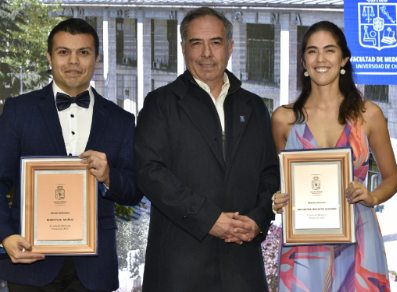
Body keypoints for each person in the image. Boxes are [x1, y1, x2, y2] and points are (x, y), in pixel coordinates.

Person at [134, 7, 280, 292]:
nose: (206, 53)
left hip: (243, 267)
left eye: (215, 42)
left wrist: (259, 219)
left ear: (230, 48)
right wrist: (209, 219)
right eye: (196, 43)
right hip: (179, 268)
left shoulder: (255, 107)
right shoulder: (159, 104)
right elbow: (149, 173)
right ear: (183, 49)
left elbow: (269, 173)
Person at [0, 18, 142, 292]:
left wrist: (110, 177)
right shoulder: (19, 110)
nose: (73, 61)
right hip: (30, 261)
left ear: (97, 59)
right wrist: (5, 235)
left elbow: (135, 191)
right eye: (64, 52)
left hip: (95, 266)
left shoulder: (121, 120)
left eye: (84, 52)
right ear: (50, 58)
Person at [271, 21, 397, 291]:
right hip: (304, 246)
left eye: (329, 50)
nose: (320, 59)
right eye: (312, 51)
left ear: (344, 59)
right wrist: (277, 196)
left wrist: (373, 196)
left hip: (360, 238)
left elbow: (392, 177)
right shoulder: (284, 119)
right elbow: (279, 180)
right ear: (303, 61)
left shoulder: (369, 115)